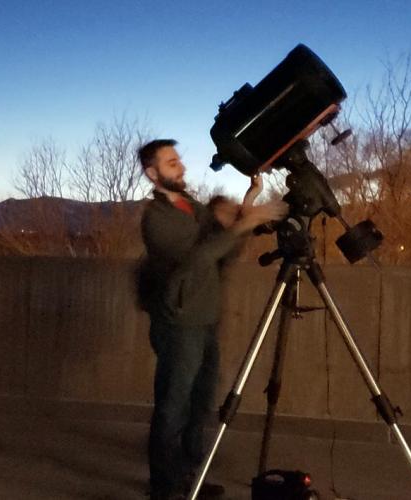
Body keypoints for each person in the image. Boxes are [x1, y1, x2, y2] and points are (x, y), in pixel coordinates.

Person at [136, 139, 286, 500]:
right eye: (172, 163)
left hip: (205, 319)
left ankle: (191, 479)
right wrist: (245, 223)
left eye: (179, 160)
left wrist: (247, 209)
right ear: (153, 173)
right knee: (173, 406)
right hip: (178, 324)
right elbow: (196, 260)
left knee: (201, 401)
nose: (182, 167)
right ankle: (164, 488)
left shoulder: (194, 208)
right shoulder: (156, 218)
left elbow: (223, 250)